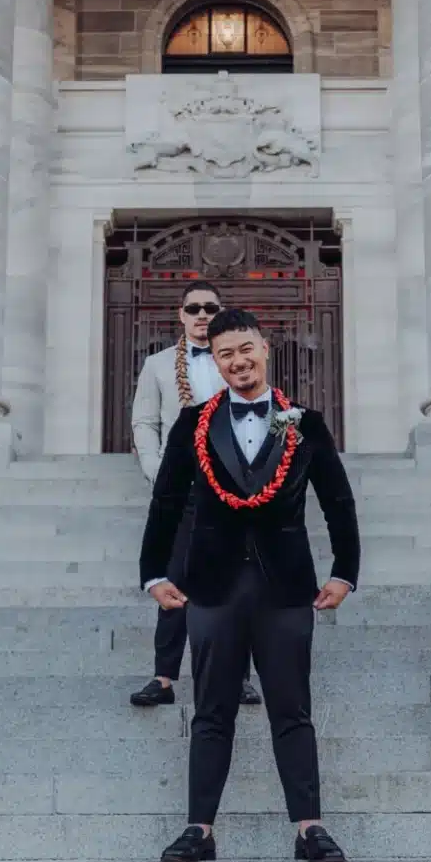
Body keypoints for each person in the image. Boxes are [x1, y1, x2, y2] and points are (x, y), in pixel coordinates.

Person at [140, 307, 357, 862]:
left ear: (264, 347)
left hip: (285, 586)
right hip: (212, 585)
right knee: (211, 710)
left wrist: (344, 571)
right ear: (215, 362)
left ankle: (309, 827)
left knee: (292, 708)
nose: (237, 361)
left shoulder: (304, 422)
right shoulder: (192, 422)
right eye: (224, 354)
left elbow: (337, 501)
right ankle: (199, 829)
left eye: (244, 349)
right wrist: (154, 572)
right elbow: (165, 502)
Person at [128, 280, 259, 709]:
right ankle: (163, 677)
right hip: (181, 487)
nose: (202, 315)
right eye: (194, 308)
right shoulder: (159, 365)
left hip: (234, 487)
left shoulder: (236, 361)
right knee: (173, 578)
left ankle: (238, 676)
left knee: (236, 580)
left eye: (210, 308)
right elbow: (144, 422)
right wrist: (155, 471)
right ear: (181, 315)